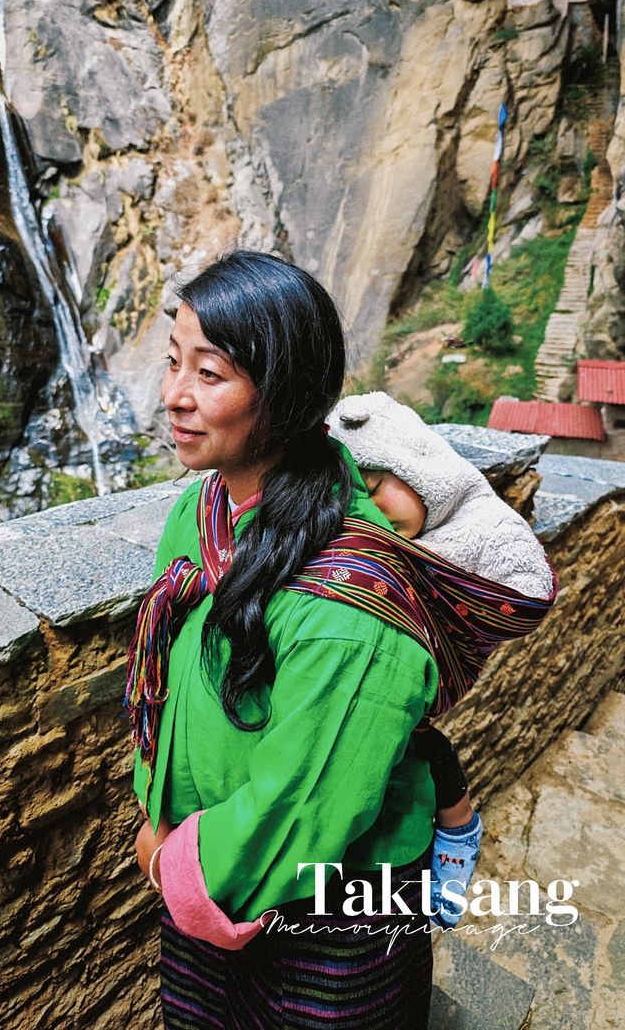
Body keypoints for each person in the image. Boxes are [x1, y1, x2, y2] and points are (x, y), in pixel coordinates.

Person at [126, 251, 444, 1030]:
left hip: (327, 904)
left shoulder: (351, 601)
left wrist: (178, 863)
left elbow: (304, 805)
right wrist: (156, 807)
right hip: (212, 859)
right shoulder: (199, 514)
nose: (175, 396)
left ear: (283, 392)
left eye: (210, 373)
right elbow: (169, 677)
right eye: (174, 364)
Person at [329, 390, 555, 926]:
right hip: (395, 684)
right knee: (411, 742)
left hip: (434, 670)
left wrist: (428, 573)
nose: (371, 511)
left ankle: (458, 828)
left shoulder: (479, 521)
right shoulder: (377, 532)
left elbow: (528, 591)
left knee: (421, 747)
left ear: (418, 466)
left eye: (379, 487)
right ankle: (453, 827)